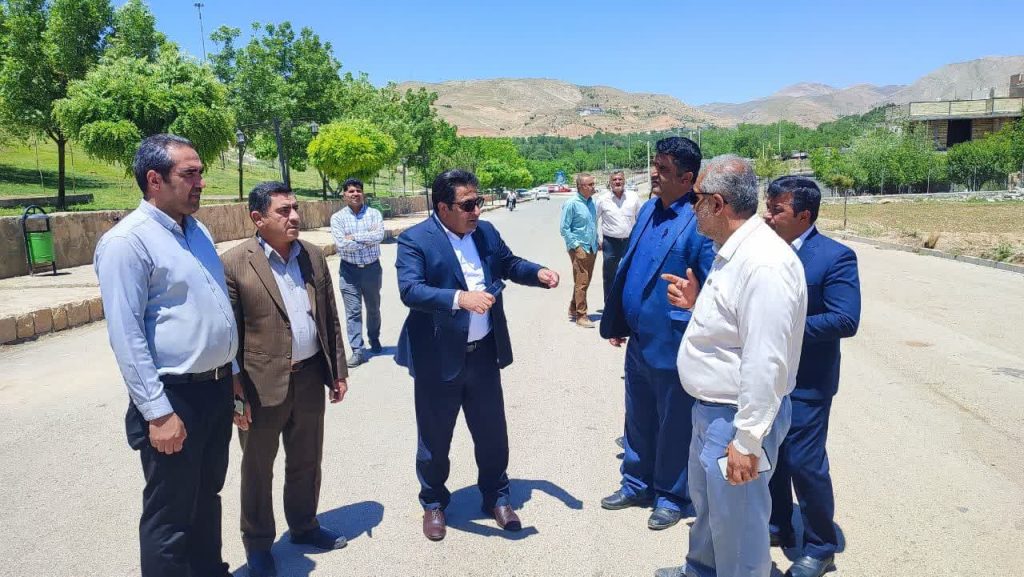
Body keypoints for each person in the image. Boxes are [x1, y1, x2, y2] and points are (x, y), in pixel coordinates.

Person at [655, 154, 808, 577]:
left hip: (737, 417)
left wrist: (748, 439)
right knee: (710, 509)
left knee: (738, 526)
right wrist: (697, 303)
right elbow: (736, 327)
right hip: (713, 411)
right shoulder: (732, 252)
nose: (691, 207)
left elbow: (766, 359)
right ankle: (701, 570)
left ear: (718, 204)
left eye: (696, 199)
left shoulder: (764, 264)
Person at [95, 134, 238, 577]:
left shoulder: (198, 231)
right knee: (170, 515)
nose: (201, 182)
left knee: (207, 496)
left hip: (215, 389)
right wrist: (157, 413)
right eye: (189, 174)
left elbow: (215, 309)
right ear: (154, 180)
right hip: (173, 397)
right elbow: (126, 336)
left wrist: (232, 375)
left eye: (200, 173)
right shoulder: (127, 243)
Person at [394, 169, 560, 541]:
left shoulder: (484, 233)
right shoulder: (415, 240)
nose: (477, 211)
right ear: (442, 207)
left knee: (492, 433)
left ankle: (496, 497)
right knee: (435, 439)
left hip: (483, 353)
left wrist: (537, 273)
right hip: (438, 358)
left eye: (479, 202)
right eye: (468, 205)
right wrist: (460, 299)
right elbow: (410, 290)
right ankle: (433, 503)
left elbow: (509, 264)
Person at [222, 182, 350, 577]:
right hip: (260, 385)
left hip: (310, 376)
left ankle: (304, 525)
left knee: (307, 459)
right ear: (257, 218)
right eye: (283, 211)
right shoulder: (234, 264)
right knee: (258, 469)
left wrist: (337, 371)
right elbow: (228, 335)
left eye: (295, 207)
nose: (294, 216)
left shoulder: (312, 255)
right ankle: (258, 544)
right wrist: (235, 390)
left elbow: (329, 317)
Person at [599, 138, 715, 530]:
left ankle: (671, 495)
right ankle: (636, 484)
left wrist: (696, 303)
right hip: (639, 340)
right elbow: (633, 266)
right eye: (655, 165)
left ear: (686, 177)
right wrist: (621, 318)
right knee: (638, 416)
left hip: (675, 342)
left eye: (663, 169)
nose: (654, 173)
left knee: (674, 423)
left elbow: (712, 284)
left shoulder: (700, 220)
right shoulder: (649, 209)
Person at [763, 176, 861, 577]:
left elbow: (845, 319)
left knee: (804, 462)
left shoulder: (835, 257)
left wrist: (784, 327)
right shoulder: (765, 252)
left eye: (777, 210)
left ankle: (821, 546)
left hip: (808, 381)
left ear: (804, 216)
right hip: (769, 377)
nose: (768, 217)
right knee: (773, 457)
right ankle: (779, 524)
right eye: (768, 208)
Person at [330, 178, 385, 368]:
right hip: (349, 271)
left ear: (363, 193)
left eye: (358, 190)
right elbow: (341, 244)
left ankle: (374, 338)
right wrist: (366, 240)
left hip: (372, 269)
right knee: (352, 312)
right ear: (344, 195)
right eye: (351, 191)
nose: (355, 194)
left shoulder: (374, 214)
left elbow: (378, 236)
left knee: (373, 308)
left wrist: (353, 237)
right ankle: (357, 350)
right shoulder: (337, 218)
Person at [596, 170, 643, 304]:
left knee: (632, 272)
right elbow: (593, 220)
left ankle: (628, 304)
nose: (617, 182)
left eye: (620, 179)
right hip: (610, 242)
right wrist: (597, 239)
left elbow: (641, 219)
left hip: (630, 241)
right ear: (610, 182)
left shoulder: (633, 197)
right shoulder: (602, 199)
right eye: (614, 179)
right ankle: (609, 305)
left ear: (624, 181)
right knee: (609, 275)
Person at [559, 173, 599, 328]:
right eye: (590, 184)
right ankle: (581, 316)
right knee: (582, 281)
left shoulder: (591, 202)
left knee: (584, 281)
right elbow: (564, 228)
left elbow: (592, 225)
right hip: (579, 248)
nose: (593, 187)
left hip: (591, 247)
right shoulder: (572, 203)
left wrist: (597, 240)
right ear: (581, 187)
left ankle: (573, 307)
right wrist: (576, 247)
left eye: (593, 184)